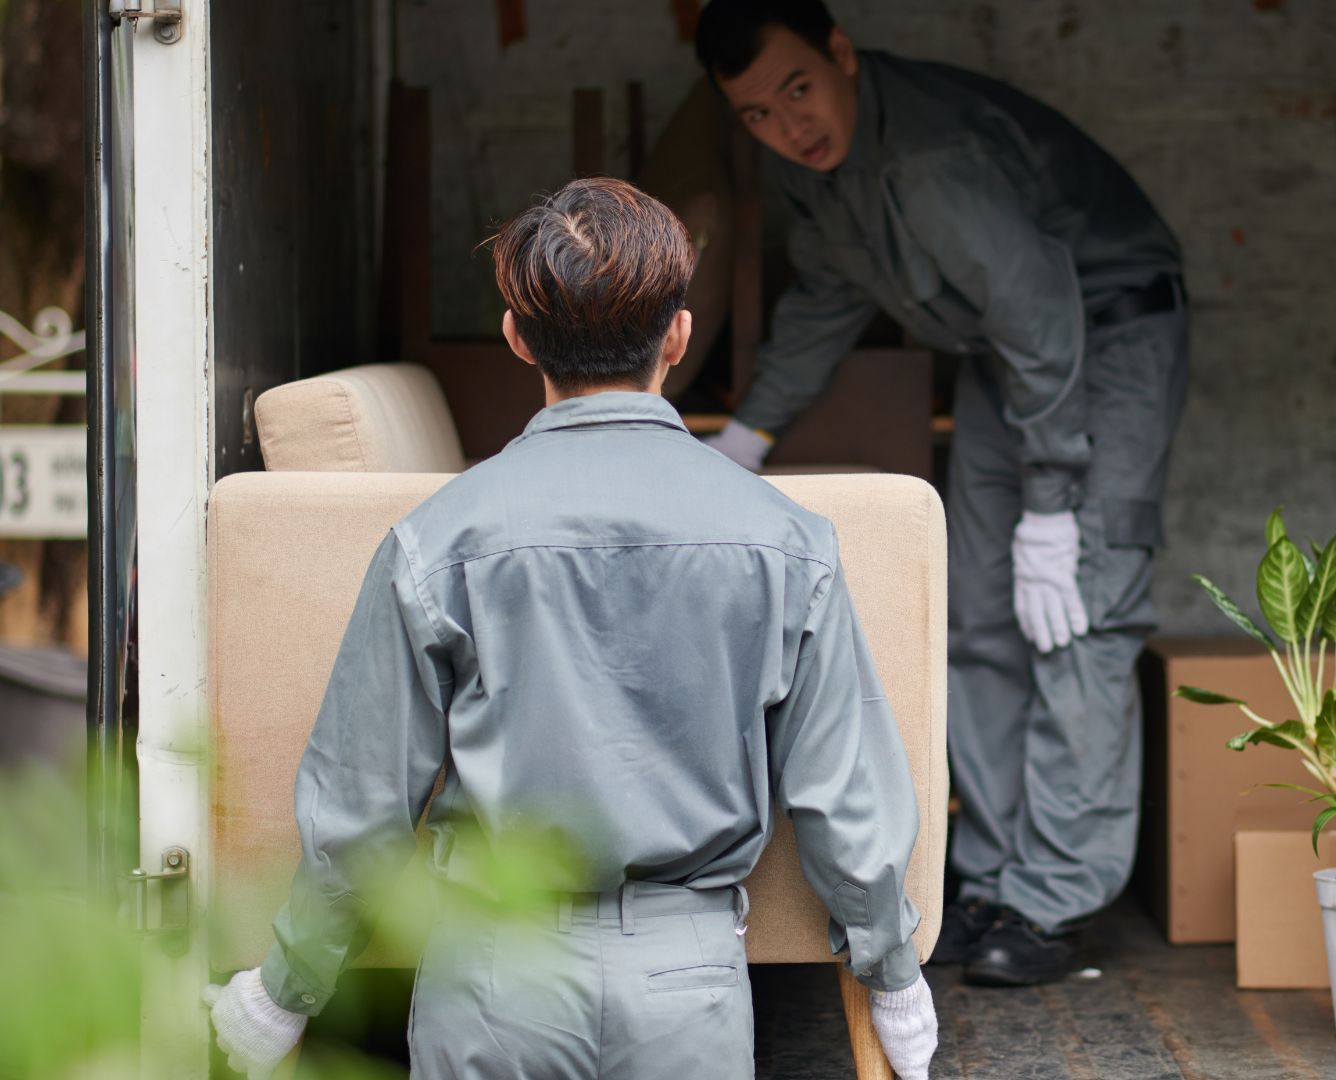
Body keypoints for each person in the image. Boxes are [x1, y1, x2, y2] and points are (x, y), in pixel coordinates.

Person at [201, 178, 938, 1080]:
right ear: (679, 335)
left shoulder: (435, 541)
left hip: (488, 979)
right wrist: (893, 972)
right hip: (689, 981)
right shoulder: (789, 542)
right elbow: (845, 793)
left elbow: (363, 805)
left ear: (516, 337)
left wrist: (286, 988)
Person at [695, 0, 1188, 987]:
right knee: (979, 621)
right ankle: (996, 881)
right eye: (756, 114)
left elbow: (1046, 317)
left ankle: (1052, 902)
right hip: (1003, 361)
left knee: (1075, 609)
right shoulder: (816, 170)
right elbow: (827, 299)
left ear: (840, 52)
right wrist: (740, 442)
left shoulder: (928, 158)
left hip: (1105, 339)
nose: (790, 127)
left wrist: (1053, 503)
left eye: (798, 88)